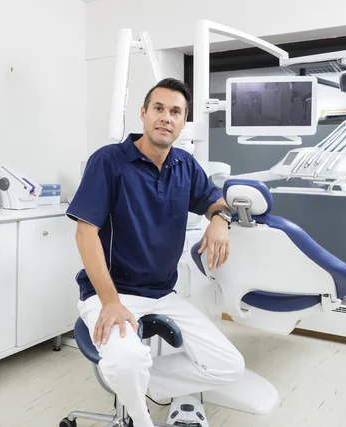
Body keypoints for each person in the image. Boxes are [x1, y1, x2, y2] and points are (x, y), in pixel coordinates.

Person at [66, 78, 245, 427]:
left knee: (230, 366)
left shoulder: (185, 165)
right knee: (126, 362)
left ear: (183, 121)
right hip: (111, 293)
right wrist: (111, 302)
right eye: (159, 109)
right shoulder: (109, 161)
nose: (166, 117)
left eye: (175, 112)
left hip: (163, 294)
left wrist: (220, 219)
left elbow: (216, 203)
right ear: (144, 114)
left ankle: (134, 380)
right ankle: (138, 414)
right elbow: (85, 234)